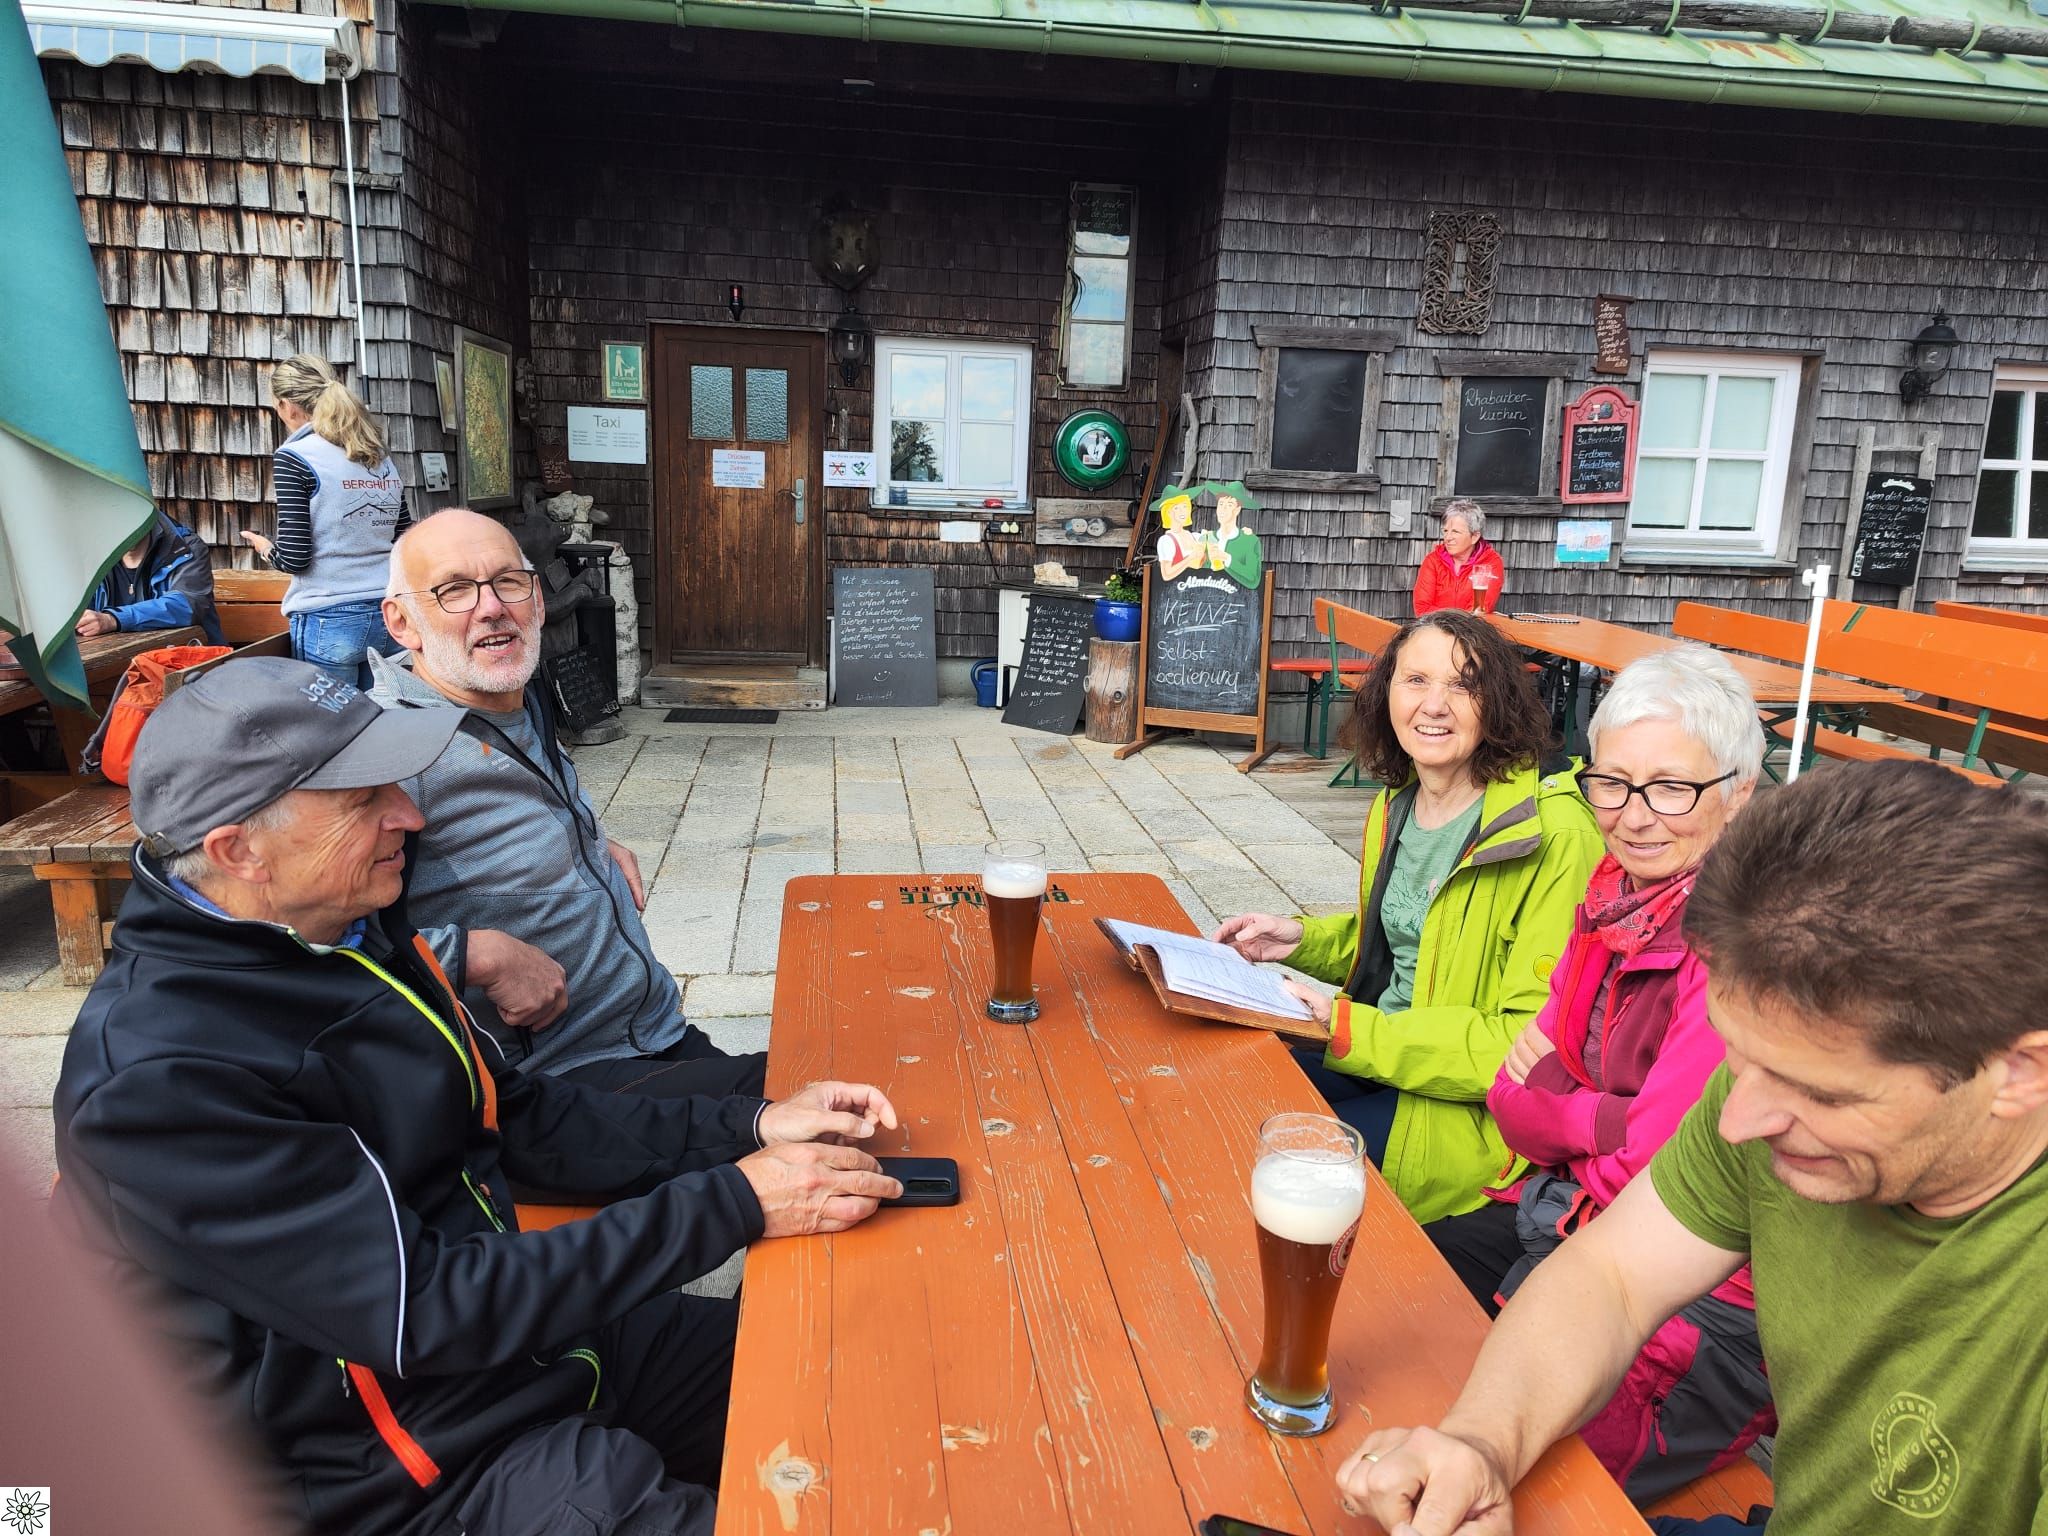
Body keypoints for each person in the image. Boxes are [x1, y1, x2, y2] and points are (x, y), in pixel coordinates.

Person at [53, 656, 901, 1536]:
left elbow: (522, 1116)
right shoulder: (160, 1082)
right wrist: (734, 1203)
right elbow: (422, 1309)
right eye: (364, 801)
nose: (410, 815)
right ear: (239, 851)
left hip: (533, 1347)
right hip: (406, 1468)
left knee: (870, 1375)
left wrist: (753, 1124)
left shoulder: (344, 934)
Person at [1337, 760, 2048, 1536]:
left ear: (2022, 1072)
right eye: (1738, 1059)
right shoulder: (1773, 1090)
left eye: (1818, 1092)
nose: (1738, 1123)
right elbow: (1613, 1276)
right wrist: (1481, 1444)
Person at [1423, 647, 1772, 1504]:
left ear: (1739, 794)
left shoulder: (1742, 943)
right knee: (1394, 1306)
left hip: (1700, 1299)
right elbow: (1508, 1097)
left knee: (1528, 1482)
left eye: (1671, 788)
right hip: (1562, 1212)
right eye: (1611, 783)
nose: (1634, 816)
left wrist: (1562, 1101)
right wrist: (1597, 1116)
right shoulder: (1614, 892)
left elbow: (1663, 1167)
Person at [1214, 610, 1601, 1223]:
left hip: (1471, 1115)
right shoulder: (1398, 804)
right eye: (1415, 680)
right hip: (1385, 1054)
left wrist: (1346, 1028)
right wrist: (1300, 940)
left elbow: (1526, 1046)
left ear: (1498, 702)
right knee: (1224, 1087)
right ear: (1386, 694)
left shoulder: (1552, 834)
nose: (1434, 705)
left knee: (1266, 1161)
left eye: (1463, 685)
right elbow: (1417, 940)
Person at [370, 508, 767, 1097]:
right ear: (402, 622)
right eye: (454, 590)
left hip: (650, 1033)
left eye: (509, 581)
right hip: (561, 1082)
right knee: (848, 1099)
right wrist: (475, 955)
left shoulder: (511, 697)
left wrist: (581, 840)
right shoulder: (387, 750)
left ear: (537, 597)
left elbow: (499, 825)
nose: (491, 607)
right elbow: (310, 938)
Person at [241, 353, 409, 686]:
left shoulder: (296, 456)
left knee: (332, 718)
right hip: (389, 611)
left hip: (328, 616)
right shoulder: (377, 453)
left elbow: (296, 558)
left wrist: (265, 549)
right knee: (387, 716)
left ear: (287, 406)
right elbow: (404, 535)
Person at [75, 510, 224, 644]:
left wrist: (113, 619)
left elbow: (187, 605)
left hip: (190, 658)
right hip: (114, 658)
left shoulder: (184, 547)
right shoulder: (90, 553)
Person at [1413, 501, 1504, 616]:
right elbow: (1422, 608)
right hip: (1434, 626)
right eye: (1445, 531)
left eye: (1455, 532)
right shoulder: (1432, 560)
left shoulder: (1490, 563)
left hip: (1471, 627)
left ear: (1474, 537)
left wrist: (1449, 619)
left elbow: (1478, 610)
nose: (1447, 538)